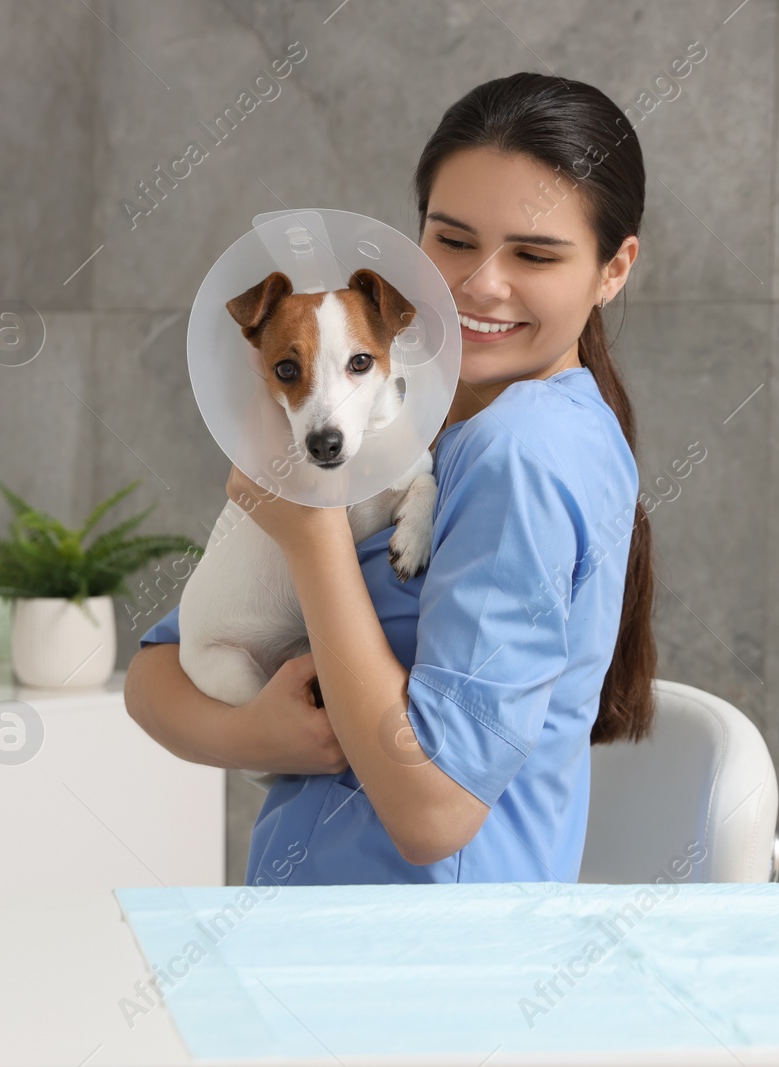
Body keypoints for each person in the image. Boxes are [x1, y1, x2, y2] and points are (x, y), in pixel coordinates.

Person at [123, 72, 657, 885]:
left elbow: (433, 812)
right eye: (452, 240)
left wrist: (312, 536)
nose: (481, 283)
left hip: (426, 959)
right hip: (325, 927)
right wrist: (264, 734)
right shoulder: (401, 413)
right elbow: (157, 671)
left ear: (614, 269)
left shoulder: (518, 450)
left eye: (535, 252)